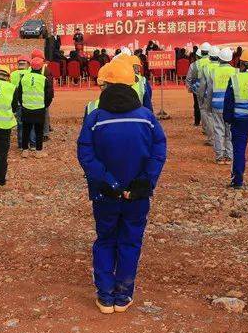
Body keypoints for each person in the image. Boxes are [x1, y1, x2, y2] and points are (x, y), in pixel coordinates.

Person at [77, 60, 167, 313]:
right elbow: (158, 151)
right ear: (132, 83)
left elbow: (86, 153)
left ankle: (105, 296)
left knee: (106, 239)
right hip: (137, 196)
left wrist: (110, 182)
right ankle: (123, 294)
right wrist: (143, 182)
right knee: (130, 241)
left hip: (105, 194)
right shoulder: (147, 118)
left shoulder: (95, 118)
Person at [224, 48, 248, 188]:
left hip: (239, 121)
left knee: (239, 150)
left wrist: (227, 118)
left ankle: (237, 180)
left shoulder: (235, 79)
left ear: (242, 64)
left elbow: (229, 101)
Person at [15, 57, 53, 158]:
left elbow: (19, 93)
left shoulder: (24, 78)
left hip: (26, 108)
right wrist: (45, 105)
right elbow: (49, 95)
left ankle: (25, 151)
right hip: (39, 108)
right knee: (39, 130)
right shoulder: (43, 79)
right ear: (41, 68)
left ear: (30, 66)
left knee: (26, 129)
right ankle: (38, 151)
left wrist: (23, 104)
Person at [203, 48, 236, 165]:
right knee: (229, 131)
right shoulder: (235, 72)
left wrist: (208, 105)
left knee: (218, 130)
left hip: (217, 104)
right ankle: (230, 155)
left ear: (219, 58)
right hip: (231, 106)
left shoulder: (213, 71)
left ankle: (220, 156)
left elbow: (210, 90)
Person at [196, 46, 221, 146]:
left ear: (209, 56)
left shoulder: (205, 68)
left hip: (208, 96)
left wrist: (200, 97)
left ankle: (212, 139)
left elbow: (202, 85)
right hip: (222, 98)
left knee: (209, 116)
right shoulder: (228, 69)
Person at [185, 42, 211, 130]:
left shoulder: (194, 65)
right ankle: (210, 127)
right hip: (212, 89)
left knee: (199, 107)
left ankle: (201, 125)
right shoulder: (215, 64)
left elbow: (189, 78)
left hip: (198, 89)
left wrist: (190, 88)